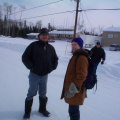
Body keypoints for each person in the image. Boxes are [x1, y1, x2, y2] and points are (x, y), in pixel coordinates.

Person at [22, 28, 58, 119]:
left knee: (43, 93)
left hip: (44, 75)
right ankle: (27, 112)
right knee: (31, 93)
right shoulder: (33, 45)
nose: (45, 36)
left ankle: (42, 109)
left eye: (46, 35)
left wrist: (51, 68)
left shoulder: (51, 48)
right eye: (43, 35)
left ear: (48, 37)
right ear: (39, 36)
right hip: (34, 74)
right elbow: (25, 57)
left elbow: (55, 59)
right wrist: (31, 67)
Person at [61, 37, 92, 120]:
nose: (73, 46)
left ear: (80, 46)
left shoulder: (81, 57)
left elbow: (82, 75)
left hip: (75, 90)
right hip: (74, 89)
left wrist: (72, 90)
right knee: (73, 111)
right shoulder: (76, 55)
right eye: (72, 45)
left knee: (73, 112)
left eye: (75, 45)